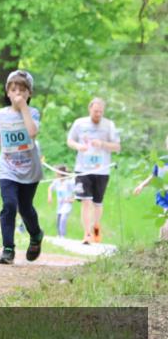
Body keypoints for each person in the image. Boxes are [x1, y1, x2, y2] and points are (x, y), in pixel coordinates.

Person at [0, 70, 44, 265]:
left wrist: (23, 108)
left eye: (23, 91)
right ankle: (8, 249)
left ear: (29, 94)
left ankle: (36, 235)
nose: (18, 94)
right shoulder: (1, 114)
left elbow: (32, 132)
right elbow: (0, 135)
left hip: (29, 168)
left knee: (25, 208)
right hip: (8, 167)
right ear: (7, 93)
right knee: (9, 205)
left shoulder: (33, 113)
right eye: (14, 90)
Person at [67, 98, 121, 244]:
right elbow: (70, 140)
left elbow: (117, 147)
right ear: (90, 109)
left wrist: (102, 144)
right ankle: (87, 234)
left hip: (102, 169)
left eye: (101, 112)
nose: (98, 114)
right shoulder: (79, 123)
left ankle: (96, 228)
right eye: (96, 111)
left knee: (97, 203)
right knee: (85, 201)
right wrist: (78, 146)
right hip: (82, 169)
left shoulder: (109, 125)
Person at [132, 135, 168, 242]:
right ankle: (162, 245)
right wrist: (141, 185)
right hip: (163, 198)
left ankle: (163, 245)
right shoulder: (161, 162)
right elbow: (153, 176)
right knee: (164, 221)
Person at [48, 165, 75, 239]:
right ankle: (59, 235)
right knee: (58, 219)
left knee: (63, 218)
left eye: (56, 172)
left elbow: (75, 191)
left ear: (60, 173)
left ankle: (62, 235)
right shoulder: (57, 181)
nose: (55, 174)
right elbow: (50, 187)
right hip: (60, 204)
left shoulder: (68, 182)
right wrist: (50, 196)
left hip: (67, 204)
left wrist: (72, 199)